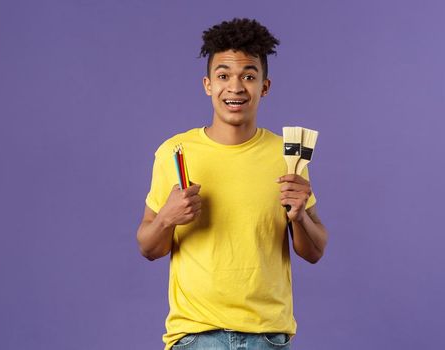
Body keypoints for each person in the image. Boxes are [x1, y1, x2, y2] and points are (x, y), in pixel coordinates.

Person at [136, 18, 329, 350]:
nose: (236, 87)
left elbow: (314, 251)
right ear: (208, 84)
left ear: (264, 86)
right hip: (196, 337)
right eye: (224, 76)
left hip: (267, 338)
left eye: (249, 76)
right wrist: (167, 217)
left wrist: (298, 217)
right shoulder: (175, 152)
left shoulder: (287, 155)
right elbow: (149, 247)